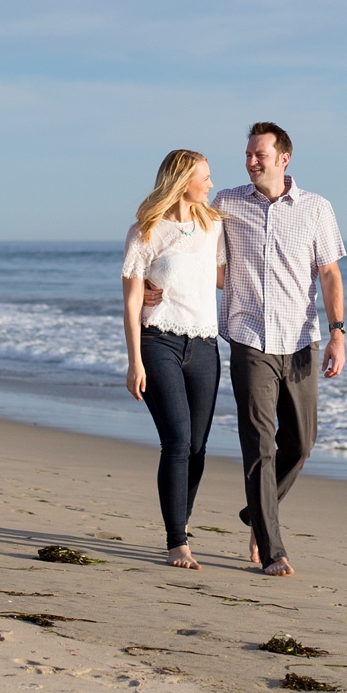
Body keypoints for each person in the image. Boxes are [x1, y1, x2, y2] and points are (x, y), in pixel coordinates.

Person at [144, 121, 346, 577]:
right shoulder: (226, 204)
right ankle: (274, 550)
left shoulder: (316, 209)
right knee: (258, 444)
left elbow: (330, 274)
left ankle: (259, 511)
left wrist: (338, 333)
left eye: (260, 154)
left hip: (299, 340)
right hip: (248, 338)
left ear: (283, 158)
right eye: (249, 154)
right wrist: (153, 281)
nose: (251, 162)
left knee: (302, 443)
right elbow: (188, 247)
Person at [122, 149, 226, 570]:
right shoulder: (145, 231)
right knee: (178, 443)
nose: (211, 183)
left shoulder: (213, 225)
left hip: (205, 346)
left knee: (198, 448)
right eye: (205, 176)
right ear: (184, 181)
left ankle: (180, 521)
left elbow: (224, 277)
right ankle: (176, 541)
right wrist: (134, 362)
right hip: (158, 343)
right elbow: (131, 301)